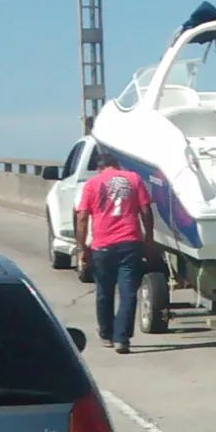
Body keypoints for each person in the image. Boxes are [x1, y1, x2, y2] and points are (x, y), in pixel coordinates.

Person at [73, 148, 155, 353]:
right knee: (128, 292)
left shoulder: (92, 183)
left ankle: (107, 334)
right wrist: (149, 239)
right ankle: (122, 338)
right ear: (117, 166)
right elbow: (146, 210)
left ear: (100, 168)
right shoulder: (133, 179)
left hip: (102, 245)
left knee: (104, 291)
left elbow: (82, 217)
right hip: (130, 242)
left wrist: (82, 247)